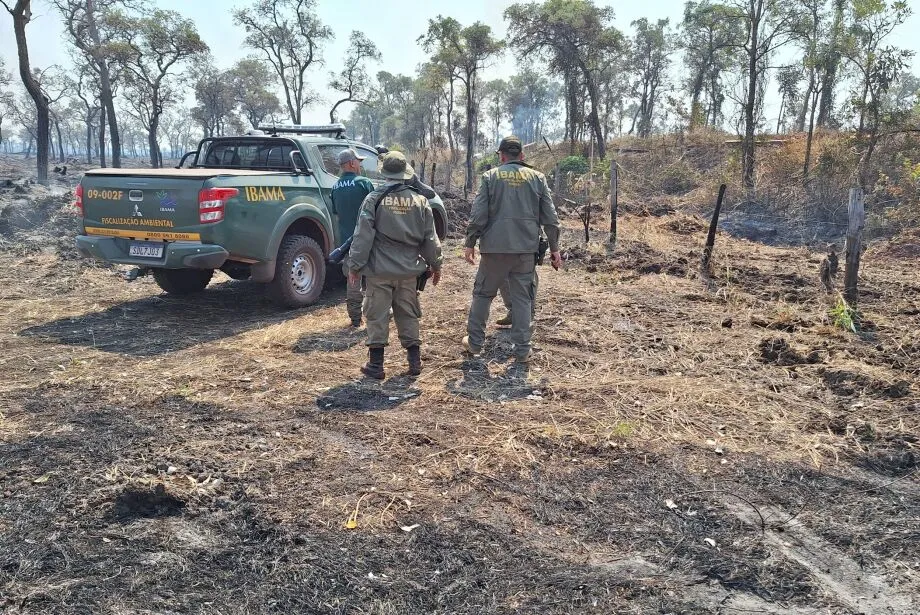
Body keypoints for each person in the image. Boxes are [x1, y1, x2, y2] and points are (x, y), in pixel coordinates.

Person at [463, 136, 561, 362]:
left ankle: (475, 344)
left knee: (483, 295)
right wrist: (555, 248)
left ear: (502, 156)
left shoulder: (490, 176)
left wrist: (470, 242)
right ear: (522, 156)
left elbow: (478, 214)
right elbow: (551, 219)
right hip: (525, 251)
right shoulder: (537, 178)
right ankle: (522, 350)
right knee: (522, 299)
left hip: (494, 251)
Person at [347, 151, 443, 379]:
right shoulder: (420, 200)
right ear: (405, 174)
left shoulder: (374, 198)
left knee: (376, 315)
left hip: (379, 270)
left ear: (385, 173)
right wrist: (436, 264)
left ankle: (376, 366)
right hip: (409, 271)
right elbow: (430, 238)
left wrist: (354, 265)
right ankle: (414, 362)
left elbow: (362, 236)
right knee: (408, 314)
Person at [331, 148, 374, 327]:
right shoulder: (364, 183)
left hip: (348, 243)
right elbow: (377, 211)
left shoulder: (335, 187)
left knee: (353, 279)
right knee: (373, 279)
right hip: (369, 240)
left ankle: (355, 318)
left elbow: (337, 213)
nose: (360, 165)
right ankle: (376, 315)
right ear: (351, 163)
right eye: (358, 161)